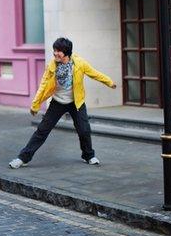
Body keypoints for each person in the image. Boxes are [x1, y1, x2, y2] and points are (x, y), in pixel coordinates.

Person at [9, 37, 116, 169]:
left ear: (66, 52)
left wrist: (109, 82)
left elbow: (94, 73)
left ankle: (88, 155)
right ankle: (22, 158)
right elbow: (43, 85)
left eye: (58, 51)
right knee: (42, 130)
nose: (55, 53)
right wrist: (35, 105)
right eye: (54, 50)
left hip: (76, 102)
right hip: (57, 102)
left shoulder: (79, 64)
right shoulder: (52, 65)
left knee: (84, 130)